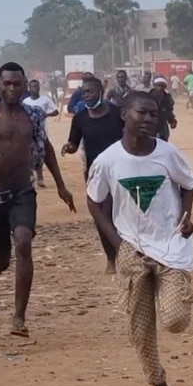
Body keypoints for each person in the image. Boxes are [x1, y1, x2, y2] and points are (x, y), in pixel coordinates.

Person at [86, 91, 193, 386]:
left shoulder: (168, 154)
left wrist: (186, 216)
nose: (149, 120)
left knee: (175, 319)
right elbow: (94, 201)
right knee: (140, 329)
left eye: (154, 115)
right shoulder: (108, 160)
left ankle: (179, 295)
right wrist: (116, 242)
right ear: (124, 115)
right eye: (142, 113)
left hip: (170, 245)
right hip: (131, 250)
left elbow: (188, 184)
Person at [0, 62, 75, 337]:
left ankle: (19, 318)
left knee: (24, 242)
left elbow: (47, 149)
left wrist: (62, 187)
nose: (12, 88)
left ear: (25, 84)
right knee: (1, 262)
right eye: (7, 83)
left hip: (23, 193)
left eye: (17, 83)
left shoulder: (34, 116)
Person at [61, 76, 125, 272]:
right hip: (96, 174)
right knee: (101, 217)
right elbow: (74, 142)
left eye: (89, 92)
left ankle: (129, 254)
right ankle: (111, 258)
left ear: (100, 92)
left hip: (122, 171)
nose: (86, 96)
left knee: (122, 215)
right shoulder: (81, 118)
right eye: (83, 93)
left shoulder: (117, 113)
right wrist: (68, 147)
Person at [20, 79, 60, 188]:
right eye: (33, 87)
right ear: (29, 88)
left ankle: (40, 177)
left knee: (41, 155)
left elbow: (56, 111)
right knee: (29, 155)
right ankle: (30, 176)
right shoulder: (25, 101)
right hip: (28, 133)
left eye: (37, 86)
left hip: (41, 132)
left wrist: (46, 115)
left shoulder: (45, 100)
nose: (35, 89)